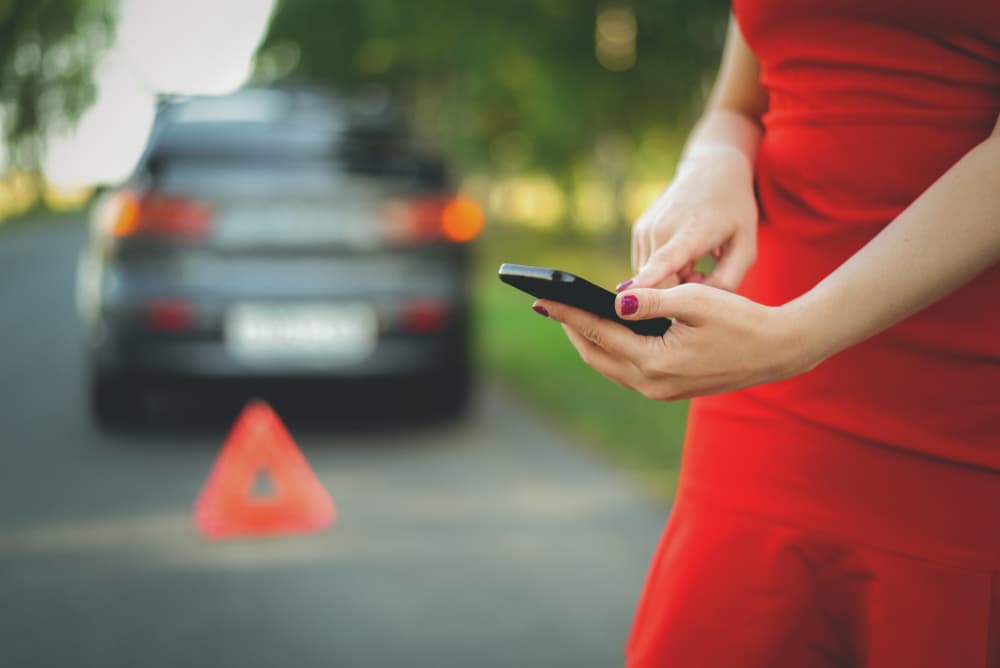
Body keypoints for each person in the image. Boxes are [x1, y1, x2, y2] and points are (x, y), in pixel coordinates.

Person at [530, 1, 1000, 666]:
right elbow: (738, 104)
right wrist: (712, 166)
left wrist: (797, 337)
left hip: (956, 420)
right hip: (758, 403)